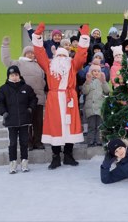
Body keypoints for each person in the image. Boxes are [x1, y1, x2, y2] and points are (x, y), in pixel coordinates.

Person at [31, 22, 90, 170]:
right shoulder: (49, 65)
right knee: (55, 127)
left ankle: (69, 155)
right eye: (60, 55)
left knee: (70, 127)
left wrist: (84, 37)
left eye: (65, 55)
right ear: (55, 56)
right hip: (54, 99)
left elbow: (82, 55)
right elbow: (39, 52)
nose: (62, 57)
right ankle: (55, 157)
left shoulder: (73, 65)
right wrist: (37, 35)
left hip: (69, 97)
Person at [1, 36, 46, 150]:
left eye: (32, 53)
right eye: (28, 53)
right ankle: (28, 143)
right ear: (24, 54)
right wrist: (5, 46)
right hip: (25, 99)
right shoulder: (19, 63)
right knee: (27, 123)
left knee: (38, 122)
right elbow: (6, 61)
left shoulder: (39, 65)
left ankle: (38, 141)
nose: (30, 55)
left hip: (39, 99)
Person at [0, 65, 38, 174]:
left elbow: (33, 99)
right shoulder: (4, 88)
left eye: (16, 75)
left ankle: (24, 162)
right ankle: (13, 163)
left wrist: (30, 109)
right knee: (13, 143)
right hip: (11, 121)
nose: (14, 77)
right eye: (12, 75)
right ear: (9, 76)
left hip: (24, 120)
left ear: (19, 75)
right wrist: (3, 112)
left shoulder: (26, 88)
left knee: (24, 142)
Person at [82, 62, 110, 147]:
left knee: (99, 126)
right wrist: (87, 82)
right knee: (91, 126)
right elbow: (85, 91)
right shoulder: (88, 81)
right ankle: (90, 141)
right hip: (90, 108)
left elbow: (107, 90)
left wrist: (104, 81)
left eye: (98, 71)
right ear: (90, 72)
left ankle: (99, 140)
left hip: (100, 107)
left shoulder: (102, 81)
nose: (96, 73)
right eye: (94, 71)